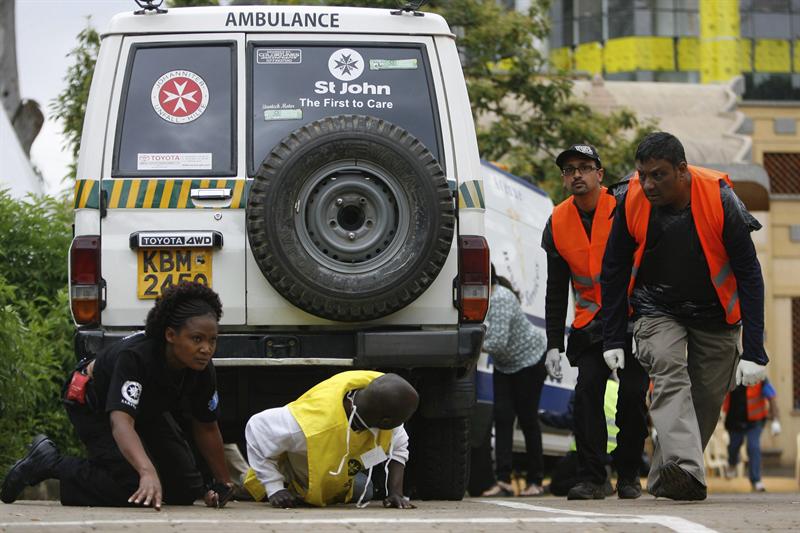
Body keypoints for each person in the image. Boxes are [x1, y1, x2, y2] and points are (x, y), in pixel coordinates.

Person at [600, 132, 768, 501]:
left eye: (658, 175)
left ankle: (668, 477)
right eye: (642, 174)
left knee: (706, 401)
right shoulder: (630, 199)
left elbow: (750, 276)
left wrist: (755, 349)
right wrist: (612, 337)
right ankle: (688, 471)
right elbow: (612, 270)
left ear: (681, 170)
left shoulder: (721, 200)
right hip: (656, 310)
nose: (647, 184)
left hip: (716, 316)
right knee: (667, 368)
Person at [1, 282, 234, 509]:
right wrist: (146, 471)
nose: (206, 348)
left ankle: (123, 471)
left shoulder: (201, 368)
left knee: (184, 489)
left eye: (212, 340)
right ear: (171, 335)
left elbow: (206, 427)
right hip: (93, 403)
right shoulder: (136, 357)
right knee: (135, 487)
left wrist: (222, 484)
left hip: (144, 411)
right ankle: (51, 463)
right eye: (197, 339)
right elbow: (121, 422)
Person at [541, 143, 649, 500]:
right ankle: (592, 477)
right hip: (589, 325)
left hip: (631, 318)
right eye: (570, 170)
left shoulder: (622, 208)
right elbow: (556, 290)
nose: (577, 175)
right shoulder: (557, 220)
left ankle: (629, 474)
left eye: (584, 167)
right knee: (587, 394)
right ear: (564, 178)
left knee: (632, 396)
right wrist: (554, 344)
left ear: (599, 174)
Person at [244, 371, 418, 508]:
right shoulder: (311, 425)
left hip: (332, 477)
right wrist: (274, 487)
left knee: (365, 490)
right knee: (250, 489)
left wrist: (396, 493)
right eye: (403, 419)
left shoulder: (382, 410)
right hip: (290, 477)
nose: (403, 424)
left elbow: (399, 447)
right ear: (386, 421)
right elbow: (257, 426)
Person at [480, 265, 547, 497]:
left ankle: (535, 481)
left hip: (530, 359)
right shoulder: (486, 298)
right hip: (505, 364)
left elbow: (497, 342)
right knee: (502, 418)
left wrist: (467, 343)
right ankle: (504, 481)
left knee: (528, 419)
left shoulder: (499, 299)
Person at [541, 379, 619, 497]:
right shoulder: (618, 388)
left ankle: (596, 483)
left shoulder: (585, 385)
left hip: (586, 451)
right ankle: (601, 480)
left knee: (556, 485)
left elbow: (570, 419)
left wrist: (542, 415)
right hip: (614, 453)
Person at [723, 378, 781, 492]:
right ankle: (732, 463)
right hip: (734, 421)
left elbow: (772, 397)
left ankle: (756, 480)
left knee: (753, 447)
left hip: (755, 421)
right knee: (733, 446)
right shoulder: (731, 376)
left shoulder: (760, 378)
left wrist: (776, 420)